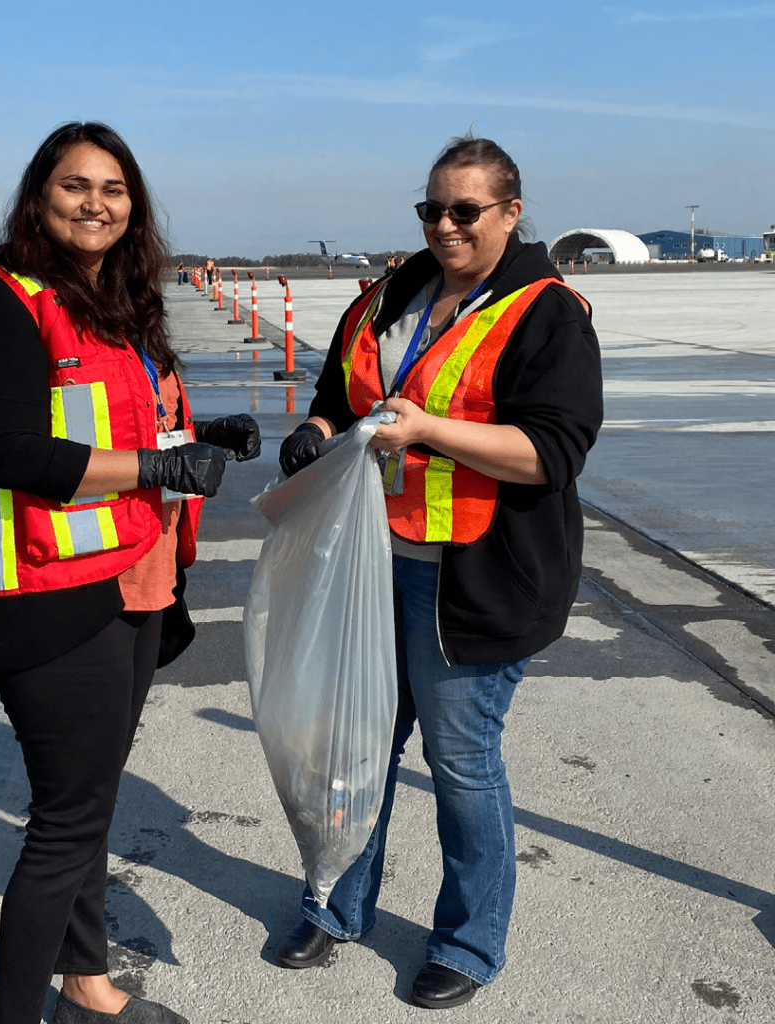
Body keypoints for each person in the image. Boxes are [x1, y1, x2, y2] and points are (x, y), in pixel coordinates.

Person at [0, 122, 261, 1024]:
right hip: (52, 590)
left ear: (134, 206)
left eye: (113, 189)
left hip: (136, 582)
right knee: (64, 824)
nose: (95, 202)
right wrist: (161, 471)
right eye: (75, 185)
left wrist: (198, 436)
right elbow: (18, 453)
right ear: (40, 195)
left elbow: (118, 423)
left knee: (93, 800)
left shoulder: (117, 299)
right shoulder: (4, 298)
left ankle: (87, 986)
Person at [275, 136, 602, 1009]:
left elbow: (551, 452)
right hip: (371, 565)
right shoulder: (392, 293)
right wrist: (313, 433)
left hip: (474, 580)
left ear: (511, 212)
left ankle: (467, 942)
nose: (445, 225)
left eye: (465, 211)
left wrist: (425, 431)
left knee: (461, 762)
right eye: (431, 209)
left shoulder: (547, 311)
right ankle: (337, 905)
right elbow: (339, 395)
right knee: (356, 751)